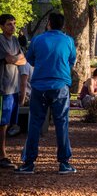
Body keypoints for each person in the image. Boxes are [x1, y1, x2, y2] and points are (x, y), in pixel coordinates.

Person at [16, 12, 76, 174]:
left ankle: (29, 163)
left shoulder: (37, 39)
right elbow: (71, 61)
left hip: (40, 85)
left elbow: (30, 59)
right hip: (60, 85)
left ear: (48, 23)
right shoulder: (68, 41)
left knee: (35, 123)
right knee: (61, 123)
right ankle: (64, 163)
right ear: (62, 25)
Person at [0, 14, 26, 169]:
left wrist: (16, 58)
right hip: (3, 88)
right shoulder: (0, 40)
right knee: (2, 123)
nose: (13, 26)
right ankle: (2, 155)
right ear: (2, 26)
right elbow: (10, 59)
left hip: (14, 87)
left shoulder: (16, 40)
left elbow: (23, 59)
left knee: (8, 122)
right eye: (9, 24)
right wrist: (17, 58)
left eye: (14, 23)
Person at [8, 62, 33, 137]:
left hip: (26, 95)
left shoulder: (23, 65)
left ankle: (15, 126)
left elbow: (23, 84)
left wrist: (21, 101)